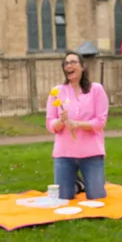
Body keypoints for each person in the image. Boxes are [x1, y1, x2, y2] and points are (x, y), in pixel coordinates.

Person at [46, 51, 109, 201]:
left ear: (83, 67)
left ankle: (86, 183)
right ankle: (77, 184)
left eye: (73, 62)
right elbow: (50, 123)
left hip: (91, 152)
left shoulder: (96, 90)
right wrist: (61, 122)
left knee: (96, 197)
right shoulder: (56, 92)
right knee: (63, 198)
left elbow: (100, 122)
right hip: (64, 153)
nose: (69, 65)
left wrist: (78, 124)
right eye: (66, 63)